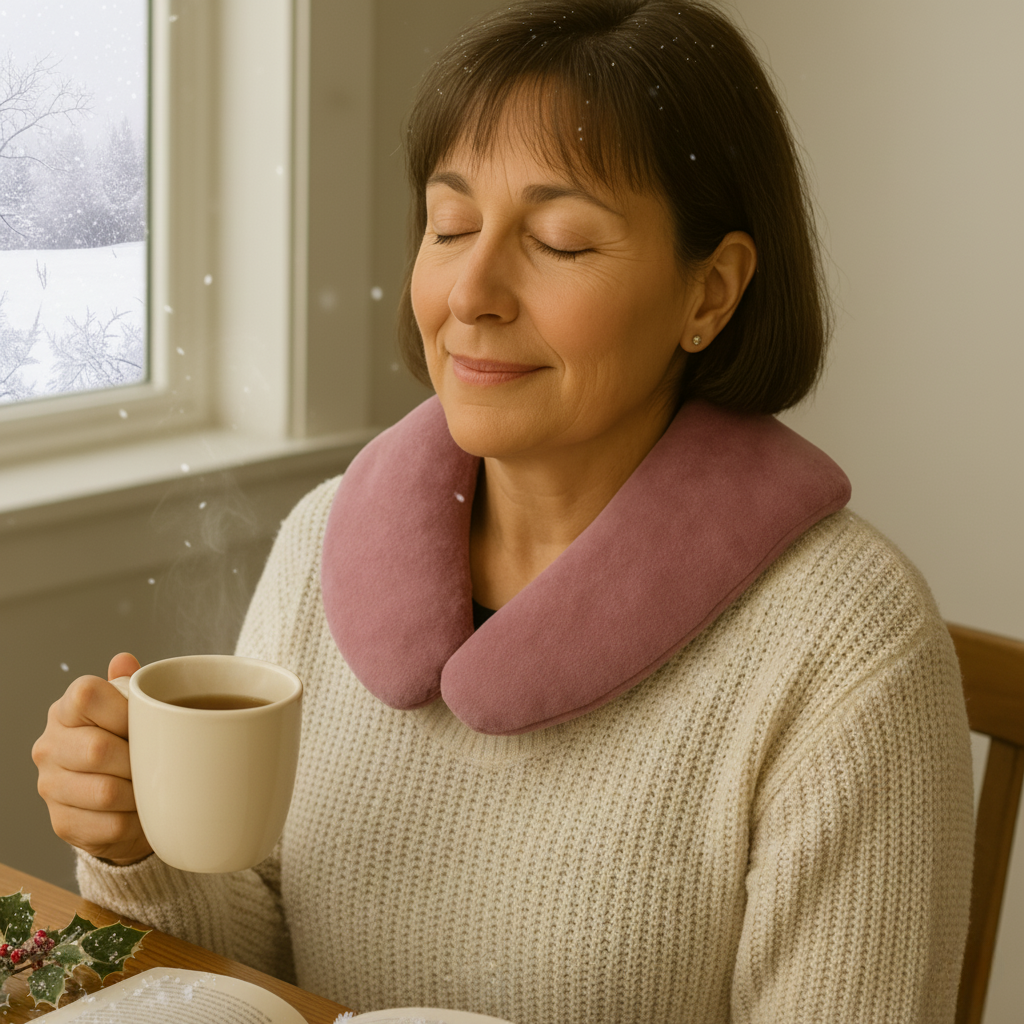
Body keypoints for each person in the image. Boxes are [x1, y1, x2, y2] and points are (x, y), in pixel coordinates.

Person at [32, 2, 974, 1021]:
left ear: (710, 292)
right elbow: (265, 960)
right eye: (450, 225)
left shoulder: (845, 647)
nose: (470, 289)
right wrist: (140, 845)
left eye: (560, 241)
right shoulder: (326, 537)